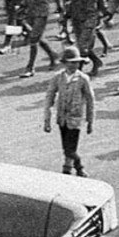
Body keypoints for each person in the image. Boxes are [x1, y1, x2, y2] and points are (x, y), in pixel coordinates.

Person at [42, 47, 95, 177]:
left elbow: (90, 100)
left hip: (75, 118)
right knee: (66, 146)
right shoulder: (58, 78)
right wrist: (47, 119)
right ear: (65, 63)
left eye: (76, 62)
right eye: (71, 62)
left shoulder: (83, 79)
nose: (74, 65)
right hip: (62, 118)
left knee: (70, 148)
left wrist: (90, 121)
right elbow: (50, 96)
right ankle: (67, 168)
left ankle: (79, 166)